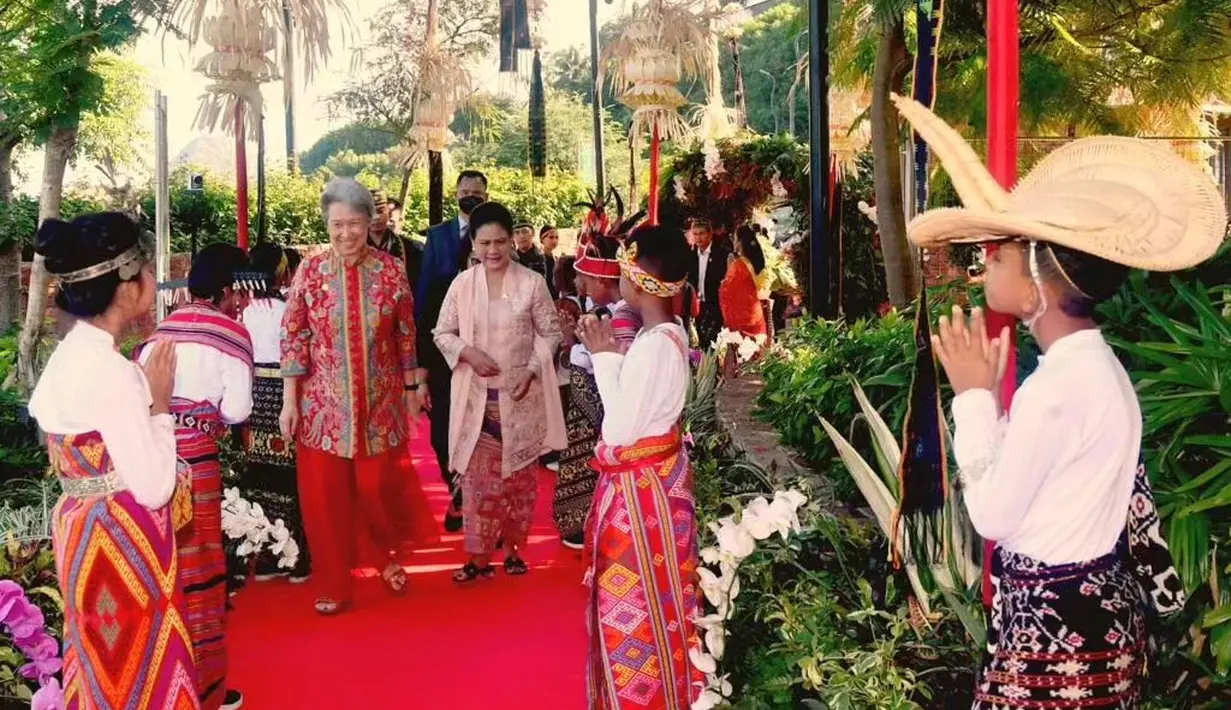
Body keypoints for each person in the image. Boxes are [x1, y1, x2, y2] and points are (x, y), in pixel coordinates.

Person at [893, 96, 1209, 708]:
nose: (985, 268)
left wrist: (974, 402)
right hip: (1093, 616)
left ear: (1037, 279)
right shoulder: (1097, 369)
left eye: (999, 255)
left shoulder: (1059, 388)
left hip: (1053, 631)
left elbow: (993, 518)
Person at [28, 213, 202, 710]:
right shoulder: (115, 372)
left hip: (80, 532)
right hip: (122, 540)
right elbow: (153, 487)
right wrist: (161, 406)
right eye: (146, 269)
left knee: (97, 654)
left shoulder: (65, 358)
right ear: (127, 288)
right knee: (139, 659)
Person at [280, 177, 437, 615]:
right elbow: (293, 335)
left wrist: (410, 388)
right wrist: (290, 402)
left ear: (371, 222)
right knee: (325, 498)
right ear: (326, 225)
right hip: (322, 406)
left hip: (380, 401)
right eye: (336, 224)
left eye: (354, 223)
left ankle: (385, 554)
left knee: (376, 488)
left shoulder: (390, 270)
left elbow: (406, 333)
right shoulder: (310, 270)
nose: (345, 233)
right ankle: (334, 582)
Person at [577, 222, 703, 710]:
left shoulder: (655, 345)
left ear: (636, 282)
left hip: (642, 496)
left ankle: (643, 698)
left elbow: (620, 432)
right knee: (658, 601)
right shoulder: (667, 335)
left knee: (632, 606)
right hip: (654, 485)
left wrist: (604, 356)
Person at [135, 242, 253, 710]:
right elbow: (238, 409)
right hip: (197, 465)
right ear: (227, 289)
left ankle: (163, 683)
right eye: (238, 292)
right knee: (202, 571)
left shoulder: (164, 327)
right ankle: (207, 691)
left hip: (150, 457)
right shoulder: (232, 333)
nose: (241, 301)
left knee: (165, 567)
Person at [433, 201, 566, 583]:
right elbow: (441, 332)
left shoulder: (532, 283)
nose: (493, 251)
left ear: (512, 242)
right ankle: (477, 557)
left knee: (520, 483)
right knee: (478, 486)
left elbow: (552, 334)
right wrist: (468, 353)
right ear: (472, 243)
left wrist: (530, 370)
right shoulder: (461, 285)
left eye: (501, 242)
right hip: (477, 399)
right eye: (485, 242)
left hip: (521, 397)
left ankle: (513, 551)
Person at [552, 193, 644, 550]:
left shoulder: (618, 317)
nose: (580, 285)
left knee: (586, 468)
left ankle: (586, 526)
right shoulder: (610, 312)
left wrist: (578, 348)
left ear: (605, 283)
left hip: (601, 415)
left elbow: (615, 365)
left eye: (587, 280)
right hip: (594, 411)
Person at [417, 169, 490, 532]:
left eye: (477, 193)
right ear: (455, 193)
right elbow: (425, 299)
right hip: (445, 352)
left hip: (489, 350)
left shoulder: (495, 236)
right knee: (442, 430)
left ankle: (480, 503)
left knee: (485, 429)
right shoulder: (437, 237)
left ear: (486, 195)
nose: (470, 197)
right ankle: (457, 490)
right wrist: (421, 365)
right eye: (465, 191)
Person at [241, 243, 311, 584]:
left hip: (253, 395)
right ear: (283, 271)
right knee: (292, 476)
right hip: (287, 394)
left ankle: (266, 553)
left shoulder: (243, 311)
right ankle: (296, 553)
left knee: (260, 474)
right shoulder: (289, 308)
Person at [718, 224, 769, 340]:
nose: (733, 242)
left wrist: (727, 271)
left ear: (740, 242)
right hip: (756, 317)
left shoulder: (738, 266)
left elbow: (726, 292)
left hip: (743, 324)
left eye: (734, 239)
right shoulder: (753, 262)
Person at [686, 218, 729, 349]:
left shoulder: (721, 254)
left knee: (712, 340)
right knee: (702, 340)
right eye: (695, 234)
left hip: (715, 303)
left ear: (710, 234)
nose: (698, 238)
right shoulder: (691, 255)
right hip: (698, 304)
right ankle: (707, 367)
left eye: (701, 233)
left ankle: (713, 367)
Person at [540, 225, 559, 299]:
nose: (554, 241)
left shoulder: (556, 258)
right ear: (542, 239)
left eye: (556, 237)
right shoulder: (539, 259)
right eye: (551, 237)